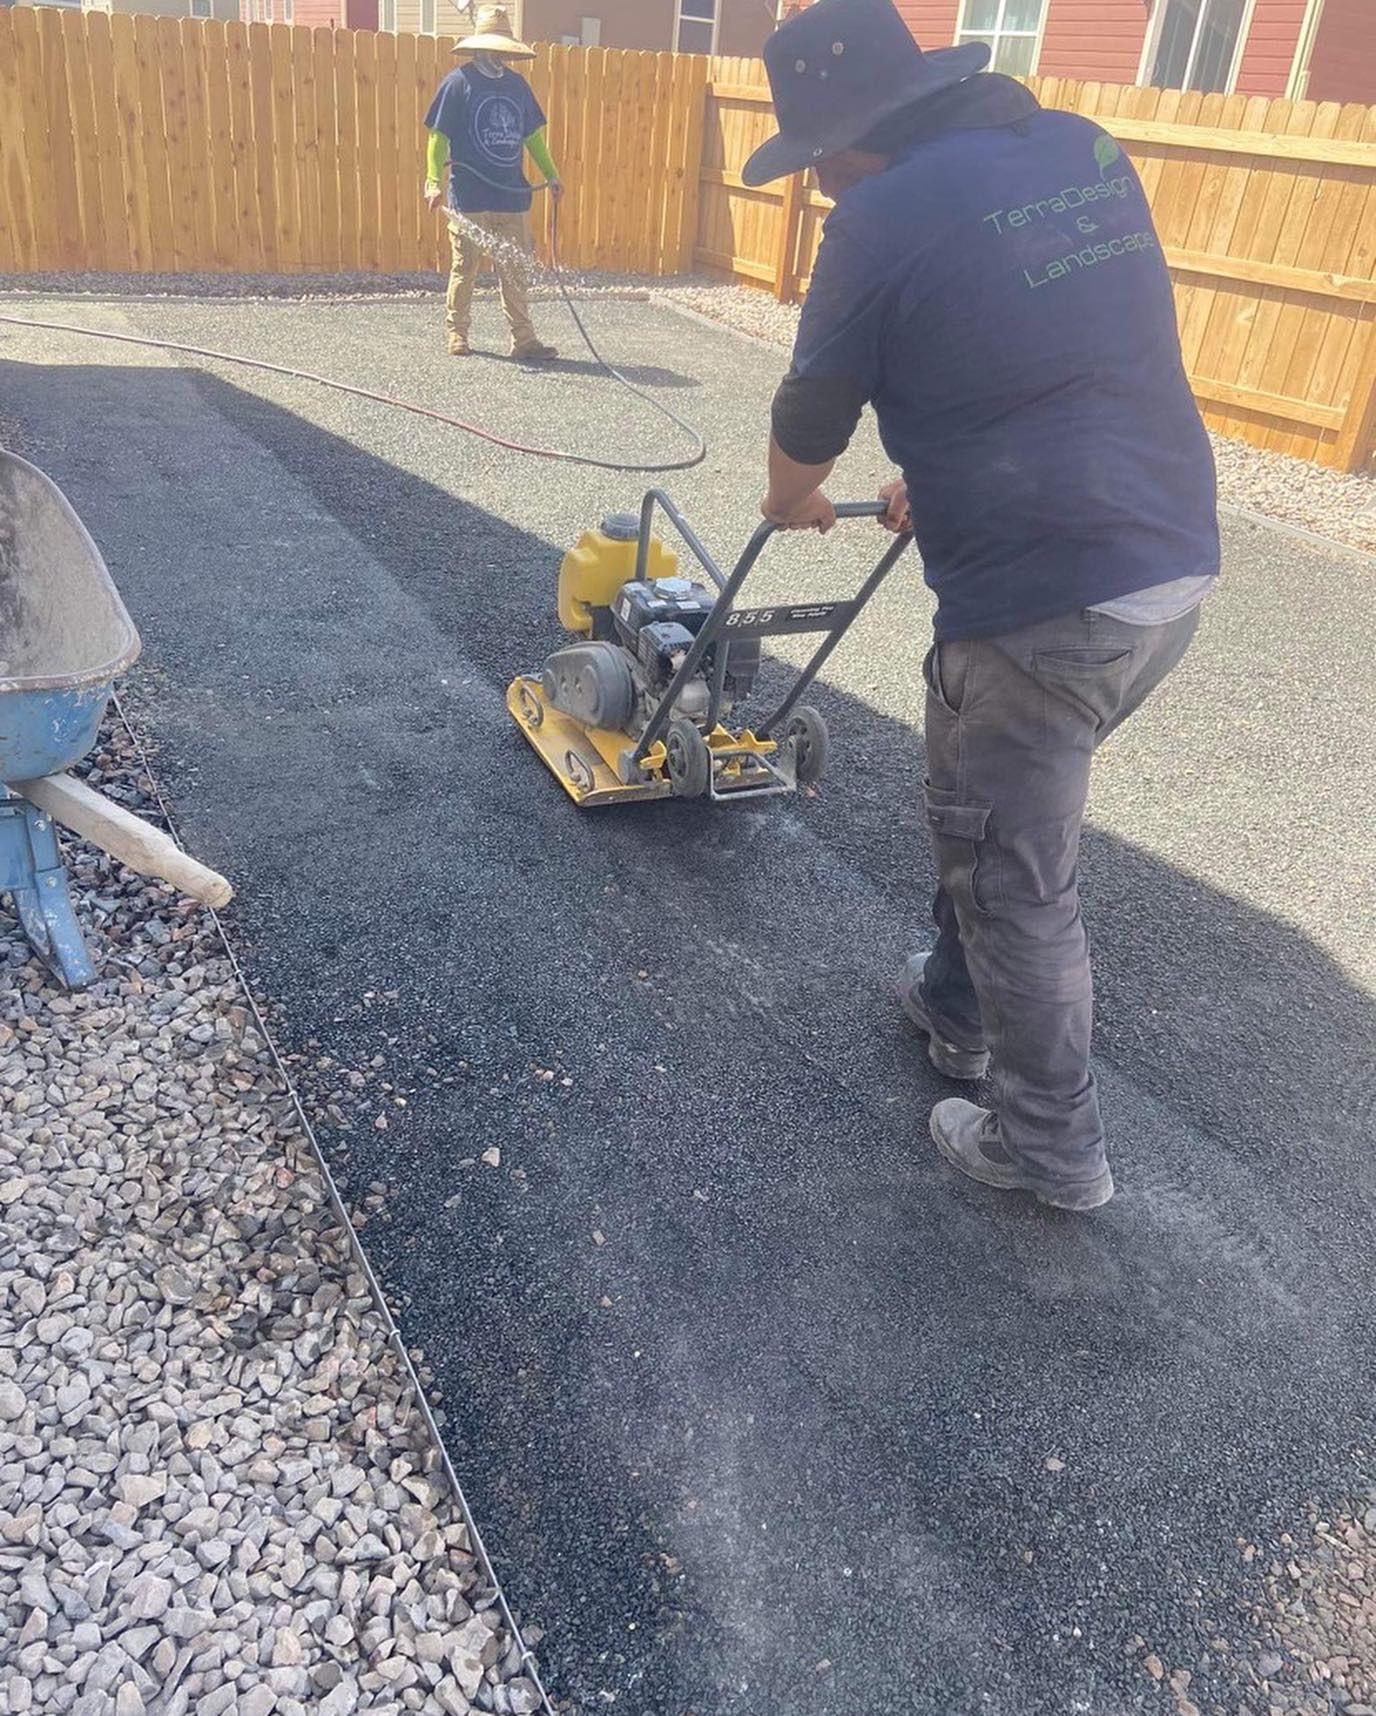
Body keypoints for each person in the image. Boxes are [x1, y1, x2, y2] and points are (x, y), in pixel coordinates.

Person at [750, 0, 1219, 1213]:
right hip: (1167, 570)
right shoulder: (1076, 150)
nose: (819, 181)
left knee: (1016, 879)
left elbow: (810, 415)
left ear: (851, 139)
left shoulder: (876, 215)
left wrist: (791, 500)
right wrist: (939, 471)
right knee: (990, 812)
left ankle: (1048, 1149)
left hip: (1041, 605)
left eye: (816, 158)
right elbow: (1051, 345)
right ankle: (953, 1008)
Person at [423, 5, 563, 362]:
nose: (501, 53)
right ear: (481, 47)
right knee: (465, 267)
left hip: (511, 196)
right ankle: (457, 333)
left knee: (514, 269)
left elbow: (532, 137)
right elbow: (438, 138)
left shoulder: (517, 86)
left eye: (505, 46)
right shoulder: (458, 83)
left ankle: (524, 340)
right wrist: (432, 182)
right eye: (495, 46)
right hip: (469, 196)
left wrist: (551, 175)